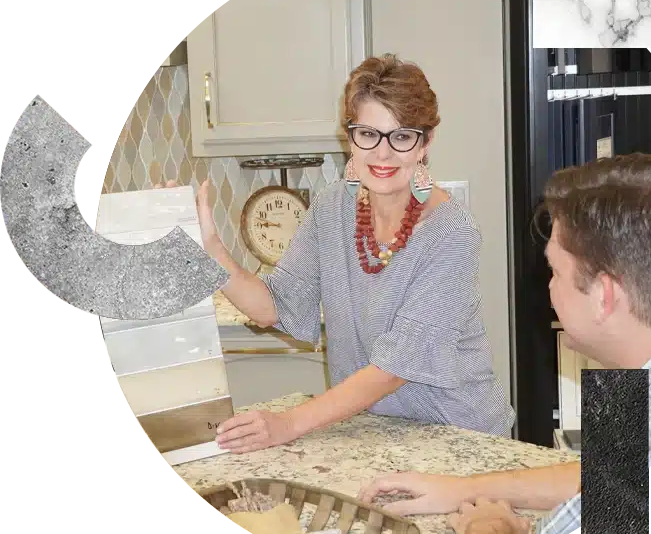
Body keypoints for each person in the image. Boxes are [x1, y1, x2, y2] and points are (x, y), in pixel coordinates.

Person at [359, 153, 651, 534]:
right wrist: (463, 490)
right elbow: (597, 473)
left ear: (605, 296)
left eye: (555, 271)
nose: (548, 287)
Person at [157, 54, 514, 454]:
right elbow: (271, 307)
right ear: (350, 137)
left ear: (425, 143)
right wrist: (211, 249)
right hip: (376, 434)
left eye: (401, 136)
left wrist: (288, 424)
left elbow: (394, 369)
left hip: (460, 438)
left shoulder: (451, 232)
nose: (382, 153)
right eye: (368, 134)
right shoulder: (332, 210)